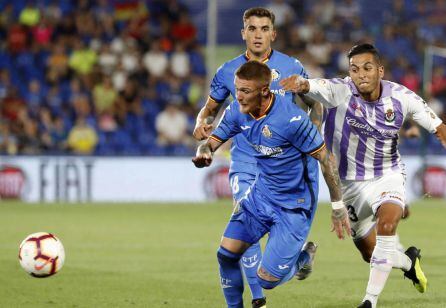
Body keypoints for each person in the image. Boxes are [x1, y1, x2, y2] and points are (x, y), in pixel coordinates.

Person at [285, 43, 446, 308]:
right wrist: (300, 83)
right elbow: (313, 86)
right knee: (370, 253)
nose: (360, 74)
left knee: (387, 225)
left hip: (387, 175)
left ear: (380, 70)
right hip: (348, 184)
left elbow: (439, 128)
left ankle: (369, 301)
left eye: (367, 68)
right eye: (354, 69)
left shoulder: (402, 98)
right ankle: (408, 261)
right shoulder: (340, 91)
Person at [192, 61, 351, 308]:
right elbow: (209, 143)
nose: (239, 97)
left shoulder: (292, 120)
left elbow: (327, 160)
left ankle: (303, 258)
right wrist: (205, 152)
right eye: (237, 89)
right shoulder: (236, 111)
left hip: (293, 205)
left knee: (265, 279)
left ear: (264, 91)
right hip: (261, 195)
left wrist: (338, 205)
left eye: (245, 91)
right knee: (226, 255)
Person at [192, 8, 322, 307]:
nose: (258, 34)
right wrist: (200, 122)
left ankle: (289, 265)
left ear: (273, 33)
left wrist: (313, 133)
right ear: (243, 33)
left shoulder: (291, 66)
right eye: (252, 28)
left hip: (283, 166)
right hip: (246, 159)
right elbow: (209, 109)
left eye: (264, 28)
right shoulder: (228, 70)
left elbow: (315, 105)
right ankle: (259, 299)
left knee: (269, 245)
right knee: (242, 219)